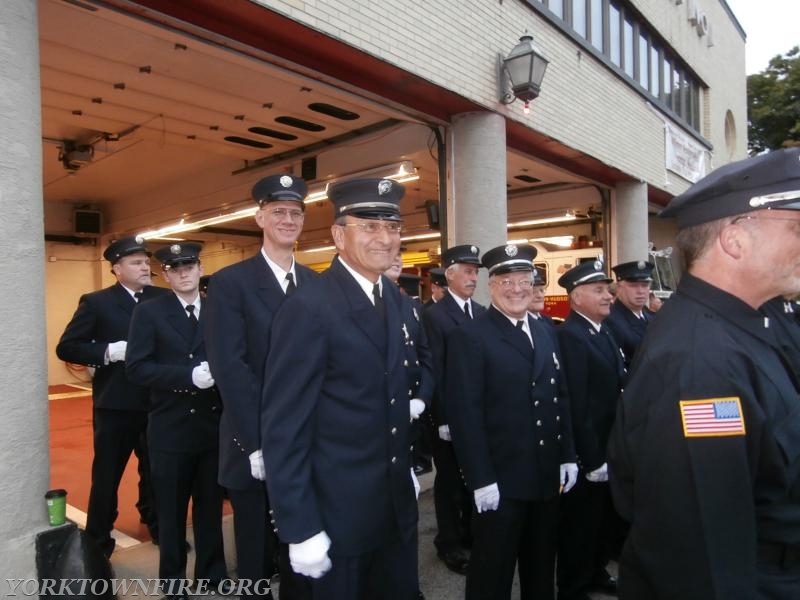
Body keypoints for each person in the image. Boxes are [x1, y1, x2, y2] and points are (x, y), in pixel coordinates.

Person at [608, 148, 800, 599]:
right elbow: (701, 551)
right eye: (796, 227)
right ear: (735, 240)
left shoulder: (745, 328)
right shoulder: (699, 362)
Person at [261, 177, 423, 600]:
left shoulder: (395, 298)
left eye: (393, 227)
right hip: (337, 516)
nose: (385, 238)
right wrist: (299, 527)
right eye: (369, 226)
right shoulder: (309, 307)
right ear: (338, 235)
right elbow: (285, 427)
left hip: (392, 507)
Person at [204, 174, 315, 600]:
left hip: (306, 439)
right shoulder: (232, 283)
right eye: (278, 212)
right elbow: (231, 367)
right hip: (253, 442)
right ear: (259, 218)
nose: (288, 219)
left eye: (295, 213)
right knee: (253, 555)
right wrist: (257, 444)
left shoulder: (315, 283)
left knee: (301, 551)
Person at [447, 244, 577, 600]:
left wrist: (567, 454)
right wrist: (480, 479)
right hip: (501, 482)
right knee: (493, 573)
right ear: (492, 285)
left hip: (546, 475)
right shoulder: (471, 336)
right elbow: (465, 414)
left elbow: (559, 396)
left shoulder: (546, 330)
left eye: (525, 280)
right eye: (507, 281)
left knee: (540, 568)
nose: (517, 289)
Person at [126, 243, 228, 599]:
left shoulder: (218, 309)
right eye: (175, 268)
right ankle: (173, 582)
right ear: (165, 275)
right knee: (170, 513)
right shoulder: (150, 313)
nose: (183, 273)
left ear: (200, 269)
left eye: (189, 266)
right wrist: (187, 376)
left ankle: (213, 573)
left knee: (210, 507)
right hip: (170, 428)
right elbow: (136, 367)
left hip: (212, 426)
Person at [56, 235, 167, 557]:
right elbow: (67, 346)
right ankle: (98, 539)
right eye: (136, 262)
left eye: (146, 262)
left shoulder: (162, 298)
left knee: (157, 470)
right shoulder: (96, 302)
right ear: (116, 268)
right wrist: (107, 350)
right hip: (116, 405)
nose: (145, 266)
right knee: (107, 474)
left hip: (156, 401)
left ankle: (157, 522)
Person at [555, 260, 627, 600]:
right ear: (576, 296)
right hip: (590, 452)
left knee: (601, 522)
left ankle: (595, 572)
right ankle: (574, 585)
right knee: (580, 525)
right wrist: (592, 457)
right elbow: (576, 405)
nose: (608, 297)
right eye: (598, 290)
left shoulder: (603, 330)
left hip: (610, 444)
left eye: (607, 290)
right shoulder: (571, 336)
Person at [420, 244, 486, 575]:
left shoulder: (481, 312)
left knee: (471, 476)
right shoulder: (434, 316)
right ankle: (449, 543)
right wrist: (443, 418)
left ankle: (470, 534)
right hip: (448, 415)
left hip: (476, 412)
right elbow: (436, 369)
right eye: (467, 271)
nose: (473, 278)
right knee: (448, 483)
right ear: (449, 275)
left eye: (476, 272)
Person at [605, 260, 655, 367]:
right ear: (619, 288)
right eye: (633, 286)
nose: (640, 291)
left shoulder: (652, 318)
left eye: (645, 285)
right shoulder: (610, 321)